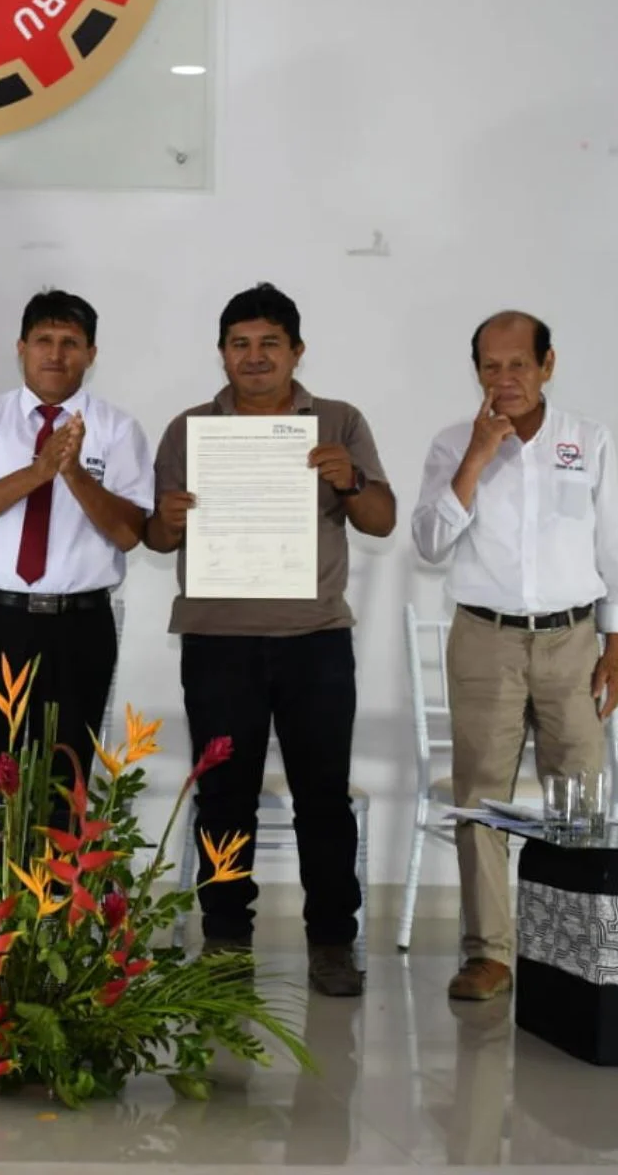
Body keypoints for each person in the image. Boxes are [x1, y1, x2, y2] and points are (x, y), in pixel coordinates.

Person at [143, 282, 395, 997]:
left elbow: (381, 521)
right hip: (217, 640)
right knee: (224, 797)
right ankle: (226, 939)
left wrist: (351, 480)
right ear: (222, 353)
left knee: (323, 797)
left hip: (314, 639)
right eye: (239, 344)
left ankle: (332, 942)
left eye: (269, 344)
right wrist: (168, 520)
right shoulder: (189, 430)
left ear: (296, 351)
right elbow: (155, 538)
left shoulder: (338, 421)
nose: (254, 357)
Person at [411, 310, 618, 1002]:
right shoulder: (454, 443)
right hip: (485, 639)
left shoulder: (588, 440)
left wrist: (616, 643)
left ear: (547, 365)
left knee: (579, 797)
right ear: (475, 371)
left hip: (573, 640)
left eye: (518, 365)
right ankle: (489, 956)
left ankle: (574, 945)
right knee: (481, 801)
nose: (505, 379)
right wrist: (477, 457)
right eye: (490, 366)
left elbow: (611, 548)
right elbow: (429, 544)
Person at [0, 289, 151, 796]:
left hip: (78, 627)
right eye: (43, 341)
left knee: (62, 785)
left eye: (70, 343)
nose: (56, 354)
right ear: (21, 348)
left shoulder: (118, 429)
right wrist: (39, 471)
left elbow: (129, 533)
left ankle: (57, 854)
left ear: (91, 354)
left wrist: (73, 472)